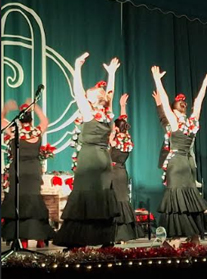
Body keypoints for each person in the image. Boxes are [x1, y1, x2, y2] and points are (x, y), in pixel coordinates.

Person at [53, 53, 120, 249]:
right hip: (103, 159)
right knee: (101, 195)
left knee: (84, 195)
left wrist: (77, 66)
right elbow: (110, 93)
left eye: (89, 94)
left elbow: (77, 91)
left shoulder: (89, 112)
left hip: (90, 158)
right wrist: (112, 74)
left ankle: (77, 240)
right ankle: (105, 240)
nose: (86, 96)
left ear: (92, 99)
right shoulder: (107, 114)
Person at [151, 66, 207, 242]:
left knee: (176, 199)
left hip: (175, 163)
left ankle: (176, 237)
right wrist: (205, 83)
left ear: (174, 112)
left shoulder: (175, 123)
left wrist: (157, 79)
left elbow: (164, 102)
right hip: (186, 164)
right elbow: (199, 102)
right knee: (189, 197)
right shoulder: (192, 123)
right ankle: (194, 236)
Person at [1, 99, 54, 248]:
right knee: (34, 202)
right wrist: (35, 106)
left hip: (18, 171)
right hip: (33, 171)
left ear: (20, 119)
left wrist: (6, 109)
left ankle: (22, 238)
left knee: (19, 202)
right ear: (31, 119)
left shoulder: (13, 131)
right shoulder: (37, 131)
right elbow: (45, 120)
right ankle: (40, 239)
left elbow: (1, 120)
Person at [109, 93, 143, 243]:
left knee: (116, 201)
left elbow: (113, 132)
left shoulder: (114, 140)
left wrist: (112, 131)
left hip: (113, 173)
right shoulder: (127, 138)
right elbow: (123, 124)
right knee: (123, 200)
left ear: (116, 129)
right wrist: (123, 106)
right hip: (122, 172)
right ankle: (125, 236)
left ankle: (117, 235)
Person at [152, 91, 202, 188]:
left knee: (190, 153)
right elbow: (162, 116)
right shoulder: (170, 123)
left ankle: (193, 178)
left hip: (185, 152)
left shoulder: (186, 123)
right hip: (174, 156)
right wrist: (159, 104)